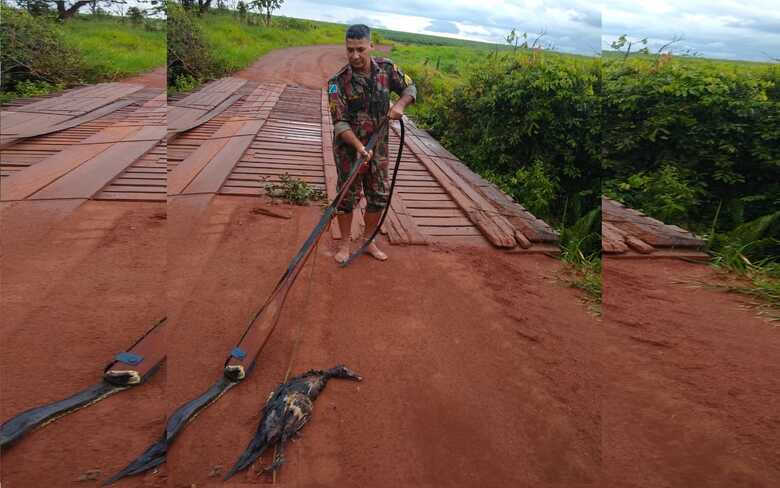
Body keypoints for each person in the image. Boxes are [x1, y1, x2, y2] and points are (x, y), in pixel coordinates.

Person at [327, 24, 416, 264]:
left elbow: (410, 87)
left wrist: (400, 105)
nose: (355, 56)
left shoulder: (387, 69)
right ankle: (345, 243)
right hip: (349, 150)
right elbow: (340, 123)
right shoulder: (337, 82)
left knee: (378, 195)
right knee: (346, 197)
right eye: (350, 50)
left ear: (371, 46)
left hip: (380, 148)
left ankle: (368, 242)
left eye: (360, 49)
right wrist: (358, 147)